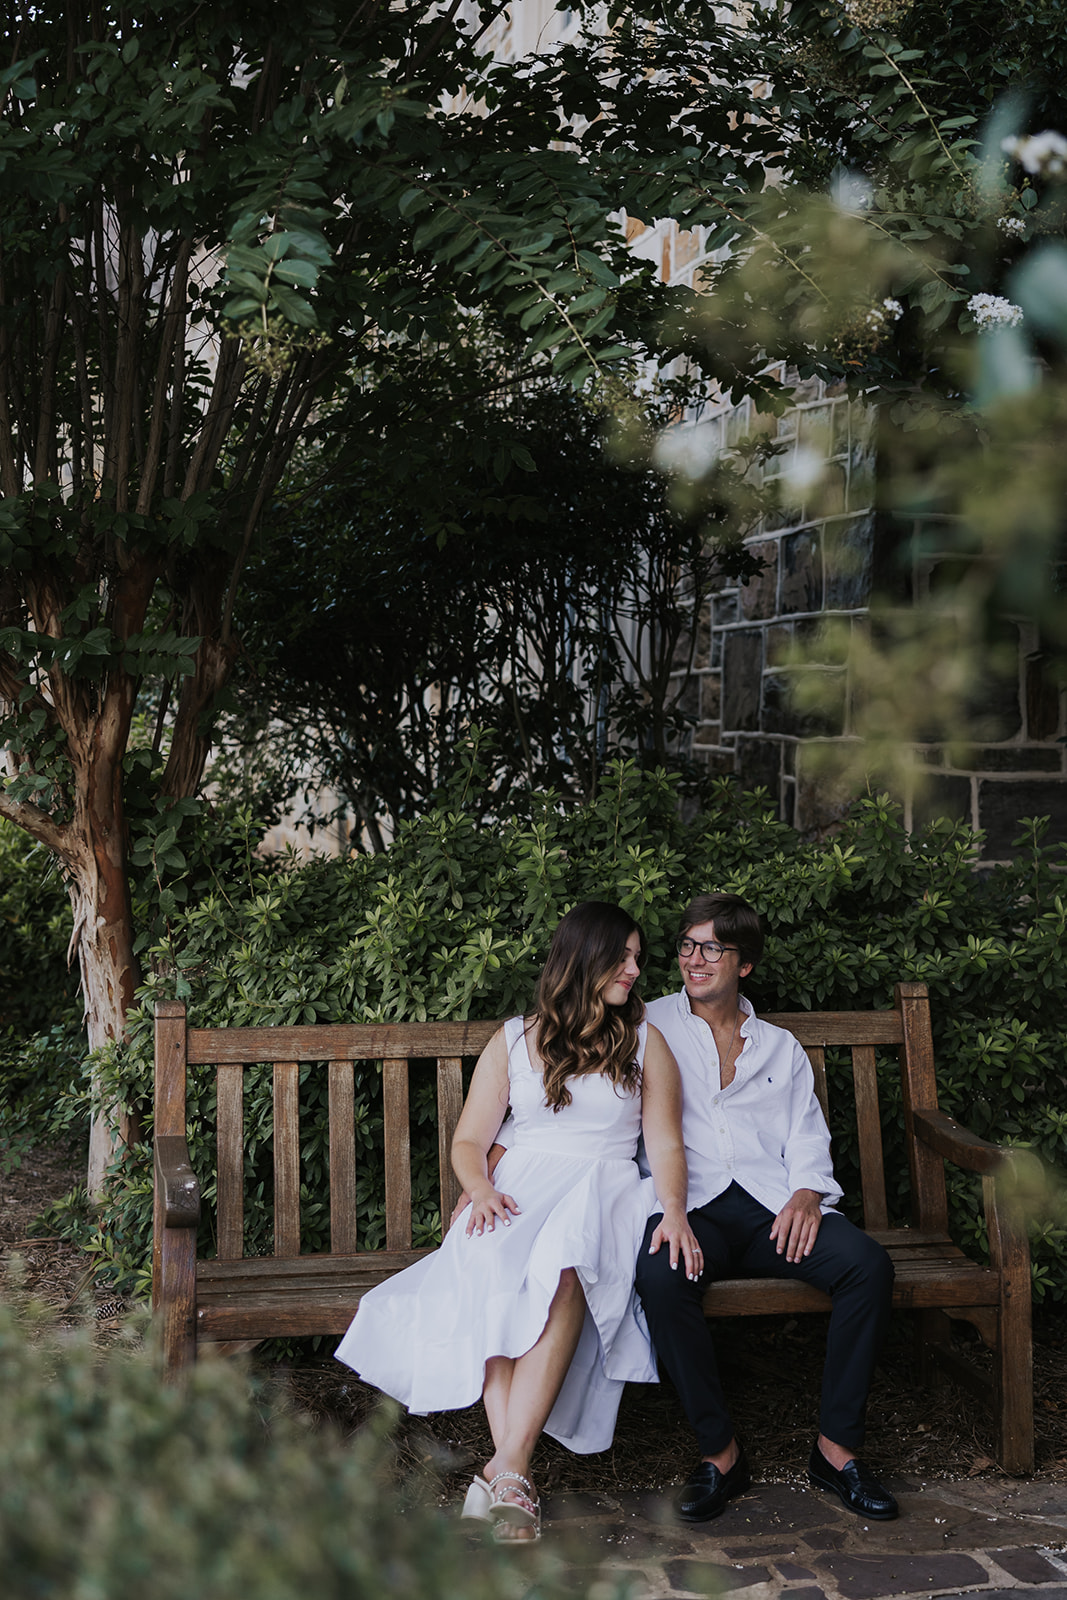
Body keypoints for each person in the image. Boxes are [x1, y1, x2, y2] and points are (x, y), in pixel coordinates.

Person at [335, 900, 700, 1543]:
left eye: (640, 958)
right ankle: (510, 1475)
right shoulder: (513, 1039)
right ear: (584, 958)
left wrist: (674, 1210)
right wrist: (478, 1191)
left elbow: (665, 1144)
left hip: (604, 1191)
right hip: (518, 1188)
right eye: (625, 956)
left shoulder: (646, 1043)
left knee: (564, 1265)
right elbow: (470, 1140)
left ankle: (506, 1470)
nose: (636, 970)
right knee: (493, 1275)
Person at [637, 891, 898, 1523]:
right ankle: (719, 1453)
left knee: (867, 1265)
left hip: (768, 1209)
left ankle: (836, 1452)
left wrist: (808, 1193)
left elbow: (806, 1133)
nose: (694, 960)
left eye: (712, 949)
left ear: (744, 963)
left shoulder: (780, 1047)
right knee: (660, 1276)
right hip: (688, 1206)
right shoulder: (646, 1025)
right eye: (687, 946)